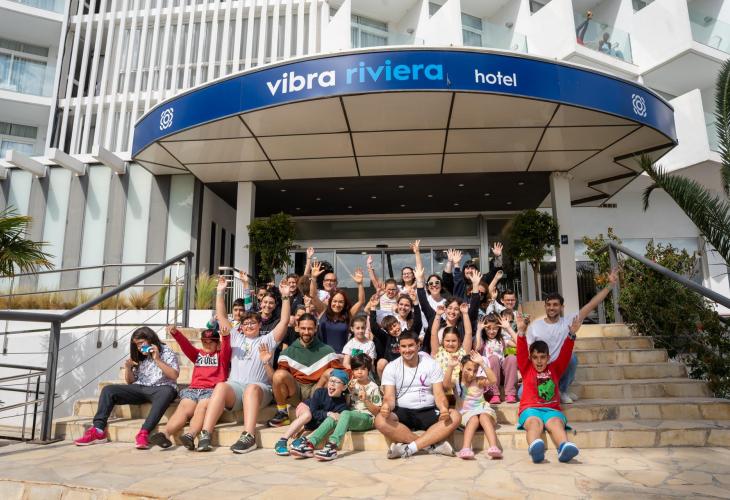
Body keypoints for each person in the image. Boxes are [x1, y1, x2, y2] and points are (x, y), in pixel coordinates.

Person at [196, 276, 292, 454]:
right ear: (241, 326)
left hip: (259, 389)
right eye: (245, 323)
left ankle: (249, 436)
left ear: (259, 324)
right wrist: (220, 292)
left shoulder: (267, 340)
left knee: (251, 389)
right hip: (236, 390)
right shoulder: (235, 337)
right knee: (221, 386)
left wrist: (285, 296)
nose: (248, 325)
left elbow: (285, 321)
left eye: (253, 323)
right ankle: (206, 433)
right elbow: (222, 316)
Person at [74, 327, 179, 449]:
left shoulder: (167, 352)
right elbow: (130, 381)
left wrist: (157, 359)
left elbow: (174, 375)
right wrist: (128, 368)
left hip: (161, 388)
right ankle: (98, 430)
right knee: (108, 390)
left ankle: (143, 433)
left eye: (141, 343)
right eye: (137, 345)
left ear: (150, 339)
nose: (139, 347)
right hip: (141, 387)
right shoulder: (140, 355)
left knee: (167, 392)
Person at [526, 268, 618, 404]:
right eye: (549, 305)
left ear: (562, 307)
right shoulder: (535, 326)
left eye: (555, 305)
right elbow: (528, 352)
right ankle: (552, 389)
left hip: (560, 366)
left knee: (572, 358)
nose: (551, 308)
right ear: (545, 307)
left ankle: (562, 390)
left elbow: (591, 304)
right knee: (521, 393)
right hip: (541, 368)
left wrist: (609, 286)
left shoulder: (569, 321)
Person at [374, 330, 461, 459]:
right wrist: (386, 406)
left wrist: (443, 408)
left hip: (428, 410)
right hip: (402, 411)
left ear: (418, 345)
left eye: (411, 345)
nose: (407, 350)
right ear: (399, 348)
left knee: (455, 416)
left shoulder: (431, 364)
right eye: (403, 346)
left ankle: (410, 448)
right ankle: (430, 447)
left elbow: (439, 394)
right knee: (380, 420)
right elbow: (389, 397)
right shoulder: (391, 367)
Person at [149, 325, 231, 450]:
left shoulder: (221, 357)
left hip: (211, 391)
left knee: (201, 408)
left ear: (217, 344)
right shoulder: (197, 354)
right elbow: (185, 345)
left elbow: (226, 350)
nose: (208, 344)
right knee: (183, 408)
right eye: (205, 342)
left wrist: (225, 337)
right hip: (193, 390)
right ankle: (165, 434)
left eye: (211, 342)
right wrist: (176, 333)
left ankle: (190, 435)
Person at [515, 310, 580, 463]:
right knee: (534, 424)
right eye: (535, 357)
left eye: (542, 357)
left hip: (552, 410)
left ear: (548, 358)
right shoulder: (526, 368)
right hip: (530, 409)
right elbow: (521, 352)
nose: (539, 361)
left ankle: (564, 447)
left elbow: (565, 353)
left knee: (556, 424)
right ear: (530, 358)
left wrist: (571, 334)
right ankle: (535, 447)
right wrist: (521, 332)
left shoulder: (555, 369)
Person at [268, 313, 345, 427]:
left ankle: (325, 410)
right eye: (303, 328)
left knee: (331, 373)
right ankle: (282, 414)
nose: (306, 332)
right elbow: (276, 381)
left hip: (317, 391)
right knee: (279, 375)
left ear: (315, 329)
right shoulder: (287, 353)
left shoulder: (328, 351)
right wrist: (266, 362)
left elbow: (341, 373)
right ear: (297, 328)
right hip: (296, 393)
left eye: (310, 328)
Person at [309, 354, 383, 460]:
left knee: (345, 413)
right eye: (356, 369)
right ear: (352, 371)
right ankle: (310, 443)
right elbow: (346, 405)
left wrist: (365, 400)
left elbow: (377, 412)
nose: (359, 372)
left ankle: (332, 446)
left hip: (367, 418)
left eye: (363, 369)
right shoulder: (351, 384)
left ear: (368, 370)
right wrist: (348, 392)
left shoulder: (373, 387)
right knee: (332, 418)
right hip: (350, 417)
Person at [274, 369, 349, 457]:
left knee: (332, 422)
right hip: (306, 408)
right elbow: (313, 412)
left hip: (317, 420)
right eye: (331, 380)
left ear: (344, 387)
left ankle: (303, 440)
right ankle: (282, 441)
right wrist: (327, 414)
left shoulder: (342, 405)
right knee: (307, 415)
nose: (332, 384)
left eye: (336, 382)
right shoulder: (320, 392)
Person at [443, 351, 501, 460]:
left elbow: (493, 380)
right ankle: (466, 448)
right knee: (474, 419)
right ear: (461, 367)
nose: (472, 373)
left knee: (483, 417)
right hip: (466, 415)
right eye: (468, 369)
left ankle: (494, 447)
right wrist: (450, 367)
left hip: (484, 411)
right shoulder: (457, 382)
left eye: (475, 370)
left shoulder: (479, 381)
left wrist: (482, 363)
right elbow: (445, 385)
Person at [310, 263, 365, 353]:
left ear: (344, 303)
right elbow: (313, 296)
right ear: (330, 302)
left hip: (341, 356)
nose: (337, 304)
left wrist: (360, 284)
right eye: (334, 301)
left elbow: (361, 301)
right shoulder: (323, 310)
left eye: (341, 302)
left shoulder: (348, 314)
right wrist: (313, 278)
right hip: (322, 355)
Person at [429, 304, 473, 396]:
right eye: (447, 341)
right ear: (442, 341)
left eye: (454, 341)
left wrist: (465, 314)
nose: (450, 344)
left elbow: (468, 333)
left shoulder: (463, 351)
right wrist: (438, 315)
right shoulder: (438, 351)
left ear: (459, 342)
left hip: (460, 388)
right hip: (442, 389)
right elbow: (433, 333)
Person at [476, 313, 518, 404]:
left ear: (499, 328)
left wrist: (508, 328)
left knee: (512, 358)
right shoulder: (483, 340)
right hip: (489, 375)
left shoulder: (502, 340)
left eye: (495, 328)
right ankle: (493, 393)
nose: (492, 331)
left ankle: (510, 393)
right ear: (484, 328)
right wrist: (479, 330)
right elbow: (477, 347)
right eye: (488, 328)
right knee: (493, 358)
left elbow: (519, 344)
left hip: (502, 374)